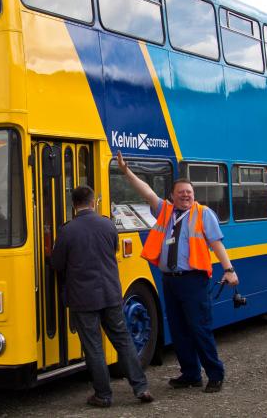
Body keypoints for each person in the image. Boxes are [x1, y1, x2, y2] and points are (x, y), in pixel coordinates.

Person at [116, 150, 239, 394]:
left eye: (189, 193)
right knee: (179, 330)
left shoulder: (204, 214)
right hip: (170, 280)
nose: (186, 196)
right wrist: (126, 172)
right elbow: (147, 192)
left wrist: (229, 269)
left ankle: (215, 374)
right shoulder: (164, 211)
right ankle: (190, 374)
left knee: (199, 329)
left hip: (194, 280)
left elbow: (217, 244)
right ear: (172, 195)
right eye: (181, 193)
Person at [51, 185, 154, 408]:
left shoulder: (67, 231)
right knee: (123, 341)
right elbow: (113, 250)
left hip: (83, 298)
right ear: (93, 202)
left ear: (73, 204)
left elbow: (57, 264)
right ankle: (141, 387)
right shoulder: (108, 225)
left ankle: (103, 395)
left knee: (94, 347)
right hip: (110, 294)